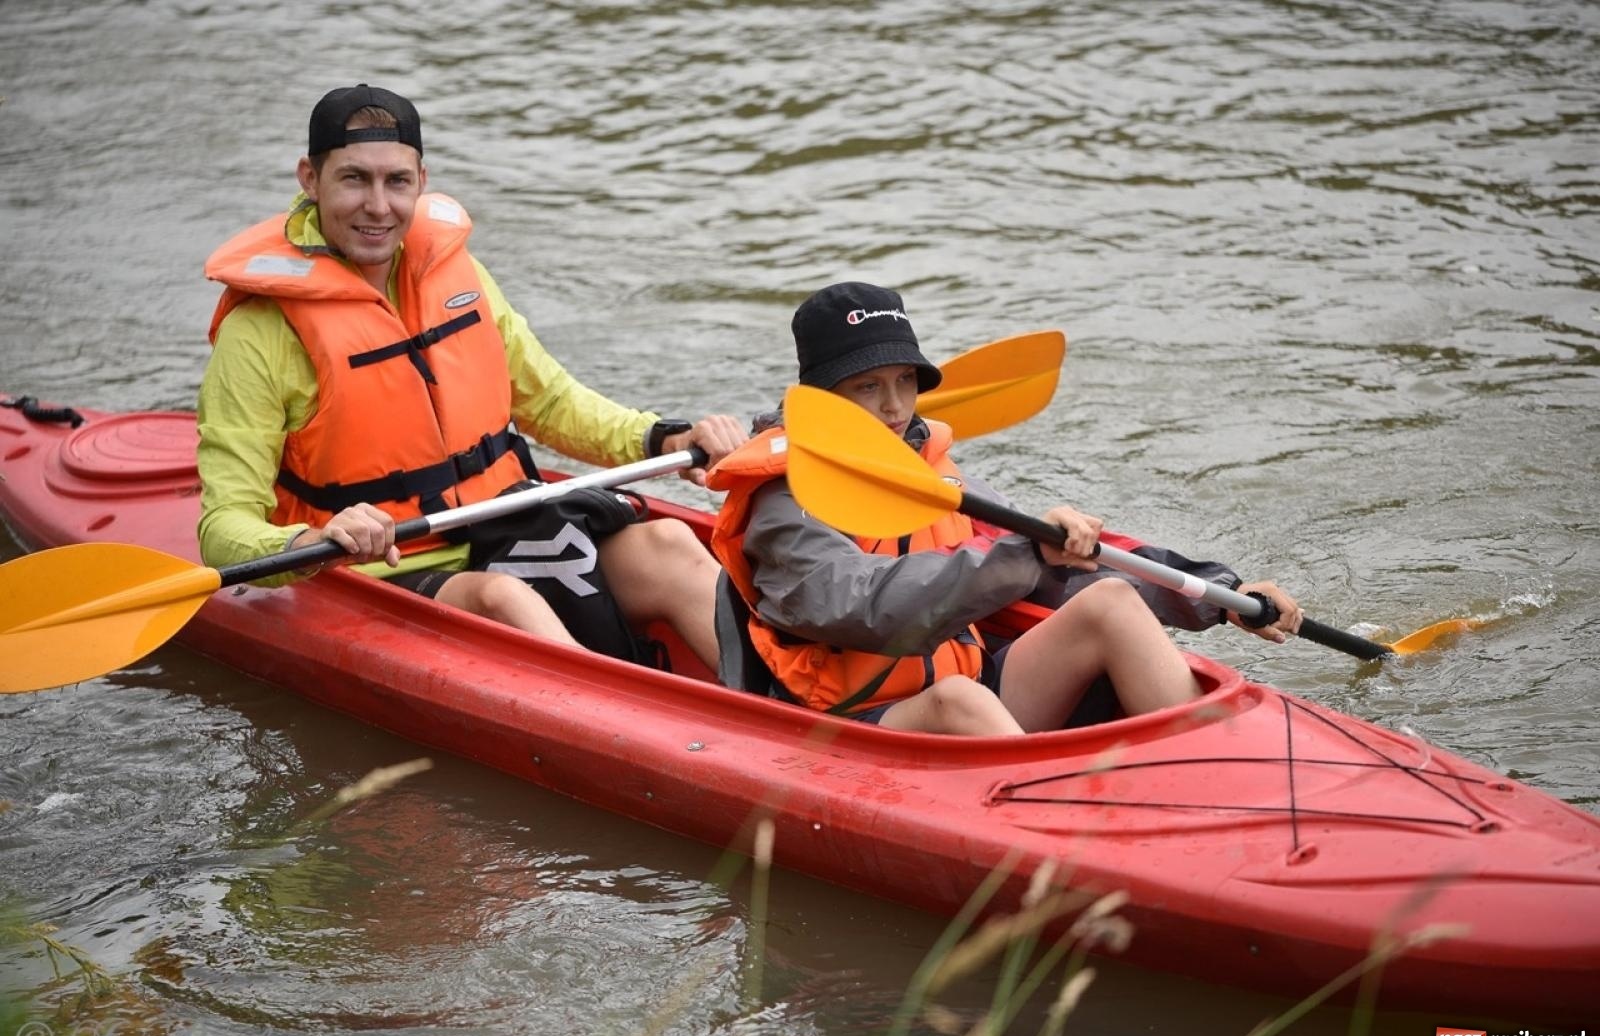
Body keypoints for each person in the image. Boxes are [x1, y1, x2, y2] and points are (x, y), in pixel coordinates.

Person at [197, 84, 746, 670]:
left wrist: (663, 438)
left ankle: (785, 705)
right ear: (311, 179)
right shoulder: (259, 332)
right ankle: (631, 718)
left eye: (397, 181)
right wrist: (310, 541)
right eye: (354, 179)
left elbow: (550, 402)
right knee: (503, 597)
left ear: (421, 180)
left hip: (497, 521)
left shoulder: (456, 274)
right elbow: (222, 528)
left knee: (668, 543)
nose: (378, 206)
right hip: (382, 569)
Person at [707, 281, 1303, 735]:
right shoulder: (783, 502)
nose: (895, 408)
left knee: (1110, 602)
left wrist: (1220, 595)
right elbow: (863, 606)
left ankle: (1213, 768)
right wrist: (1023, 554)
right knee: (960, 701)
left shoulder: (925, 470)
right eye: (868, 386)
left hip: (969, 687)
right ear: (821, 399)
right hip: (856, 724)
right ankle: (1054, 837)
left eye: (905, 381)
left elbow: (1062, 553)